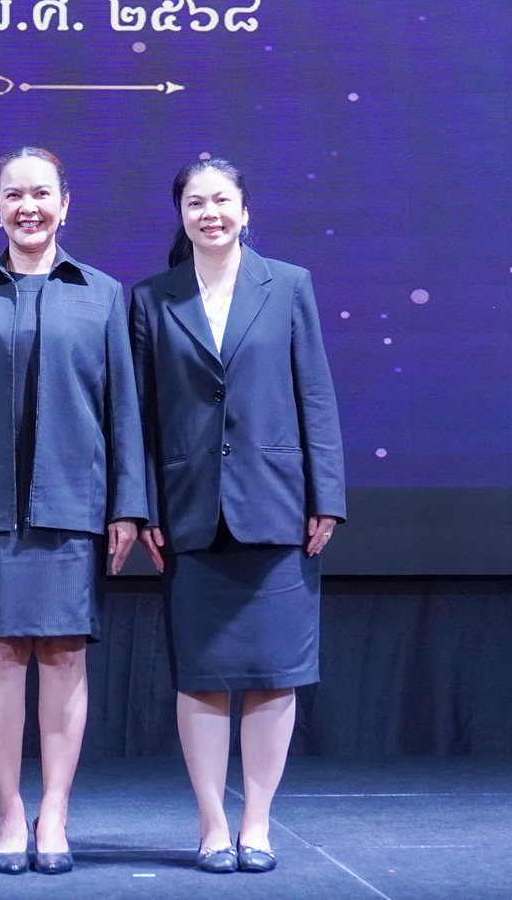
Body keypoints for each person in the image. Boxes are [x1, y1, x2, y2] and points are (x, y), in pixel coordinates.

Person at [0, 146, 150, 875]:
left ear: (65, 203)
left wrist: (128, 506)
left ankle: (54, 812)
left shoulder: (102, 293)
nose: (29, 206)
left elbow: (124, 410)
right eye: (14, 194)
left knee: (62, 653)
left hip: (74, 503)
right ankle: (9, 813)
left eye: (42, 193)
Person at [128, 157, 345, 875]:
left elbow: (315, 394)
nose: (210, 213)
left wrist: (327, 496)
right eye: (196, 202)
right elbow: (139, 415)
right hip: (189, 509)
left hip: (277, 506)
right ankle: (212, 825)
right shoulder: (152, 297)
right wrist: (141, 505)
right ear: (181, 214)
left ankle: (257, 823)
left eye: (221, 200)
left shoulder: (289, 285)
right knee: (201, 674)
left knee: (274, 672)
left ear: (245, 210)